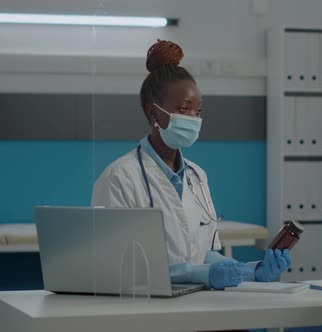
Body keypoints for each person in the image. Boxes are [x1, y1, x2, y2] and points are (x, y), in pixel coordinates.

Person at [92, 39, 290, 290]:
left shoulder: (197, 176)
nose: (193, 119)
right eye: (184, 109)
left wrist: (252, 271)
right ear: (153, 114)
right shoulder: (120, 177)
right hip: (147, 311)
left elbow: (205, 255)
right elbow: (119, 265)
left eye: (198, 111)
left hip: (198, 304)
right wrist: (200, 274)